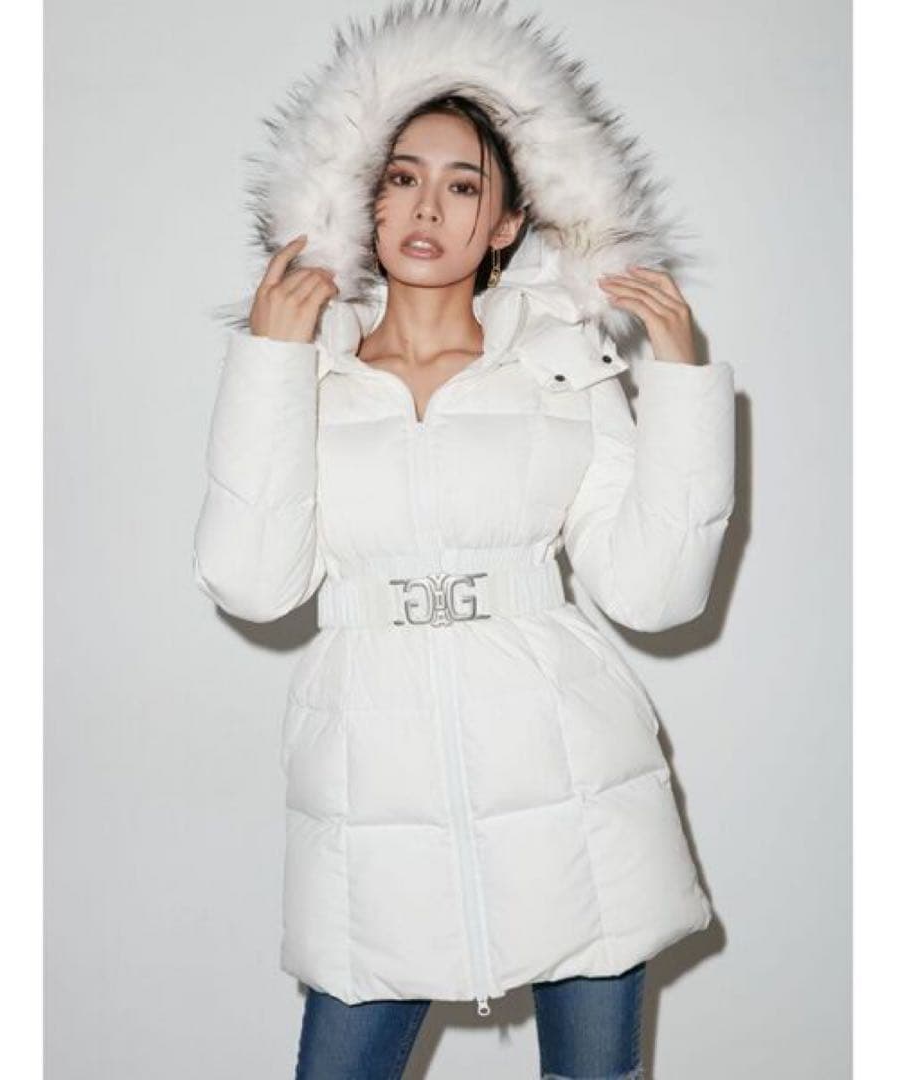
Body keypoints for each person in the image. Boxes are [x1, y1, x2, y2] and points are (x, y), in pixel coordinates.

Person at [193, 3, 735, 1077]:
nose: (426, 206)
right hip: (375, 788)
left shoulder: (561, 364)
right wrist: (267, 358)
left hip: (572, 780)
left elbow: (654, 594)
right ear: (363, 198)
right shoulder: (308, 373)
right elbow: (253, 584)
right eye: (401, 177)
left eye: (461, 185)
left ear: (506, 224)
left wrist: (679, 385)